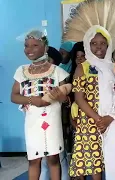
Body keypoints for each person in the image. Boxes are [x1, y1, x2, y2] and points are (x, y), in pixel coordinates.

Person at [70, 25, 115, 180]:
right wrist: (99, 120)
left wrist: (109, 118)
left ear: (109, 45)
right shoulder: (82, 67)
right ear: (87, 45)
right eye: (94, 43)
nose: (99, 47)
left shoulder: (113, 67)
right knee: (94, 162)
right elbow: (79, 98)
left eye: (103, 43)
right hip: (91, 120)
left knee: (113, 159)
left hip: (111, 119)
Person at [11, 30, 69, 180]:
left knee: (53, 159)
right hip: (32, 123)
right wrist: (33, 100)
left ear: (45, 48)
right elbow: (14, 96)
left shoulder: (57, 72)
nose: (29, 49)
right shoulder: (21, 72)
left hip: (52, 120)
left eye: (35, 45)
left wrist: (61, 96)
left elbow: (65, 98)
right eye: (26, 46)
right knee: (33, 160)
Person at [39, 46, 70, 180]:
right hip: (38, 124)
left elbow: (66, 101)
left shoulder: (59, 76)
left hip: (56, 123)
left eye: (47, 58)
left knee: (58, 157)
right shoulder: (36, 78)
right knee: (43, 159)